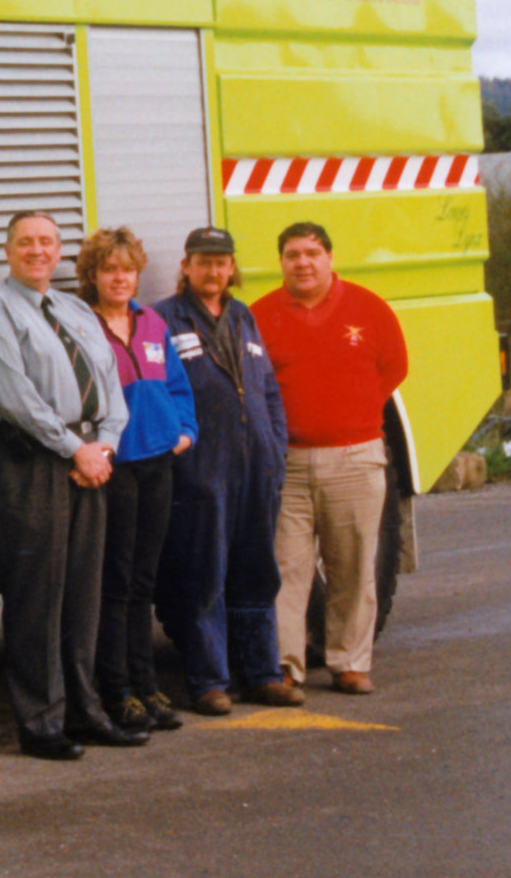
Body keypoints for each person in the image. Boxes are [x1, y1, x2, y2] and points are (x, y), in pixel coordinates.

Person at [0, 210, 140, 761]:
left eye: (46, 241)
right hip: (32, 462)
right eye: (25, 242)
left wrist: (104, 445)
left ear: (59, 251)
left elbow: (110, 384)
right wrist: (74, 449)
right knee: (39, 596)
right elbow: (15, 397)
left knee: (83, 595)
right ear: (8, 251)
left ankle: (86, 713)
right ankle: (41, 723)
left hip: (88, 458)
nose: (37, 251)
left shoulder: (74, 309)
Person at [252, 222, 408, 695]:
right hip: (288, 465)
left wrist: (352, 416)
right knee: (285, 569)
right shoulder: (260, 315)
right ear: (281, 262)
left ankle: (350, 664)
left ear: (330, 257)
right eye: (293, 254)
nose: (303, 262)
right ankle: (284, 666)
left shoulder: (369, 308)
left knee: (353, 566)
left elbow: (394, 367)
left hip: (355, 460)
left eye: (312, 253)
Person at [153, 227, 299, 714]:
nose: (213, 271)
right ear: (186, 266)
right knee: (204, 576)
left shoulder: (242, 315)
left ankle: (262, 673)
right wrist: (181, 454)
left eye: (221, 262)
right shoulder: (163, 319)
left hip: (255, 467)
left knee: (257, 572)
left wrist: (274, 448)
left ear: (231, 268)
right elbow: (158, 394)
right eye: (203, 262)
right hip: (201, 468)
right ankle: (209, 681)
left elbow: (268, 389)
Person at [76, 227, 198, 734]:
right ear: (92, 276)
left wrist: (183, 433)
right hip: (117, 467)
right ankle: (118, 691)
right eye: (109, 270)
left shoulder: (151, 323)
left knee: (144, 581)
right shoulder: (82, 328)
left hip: (157, 462)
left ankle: (146, 686)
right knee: (117, 581)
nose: (119, 278)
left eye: (127, 269)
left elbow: (177, 386)